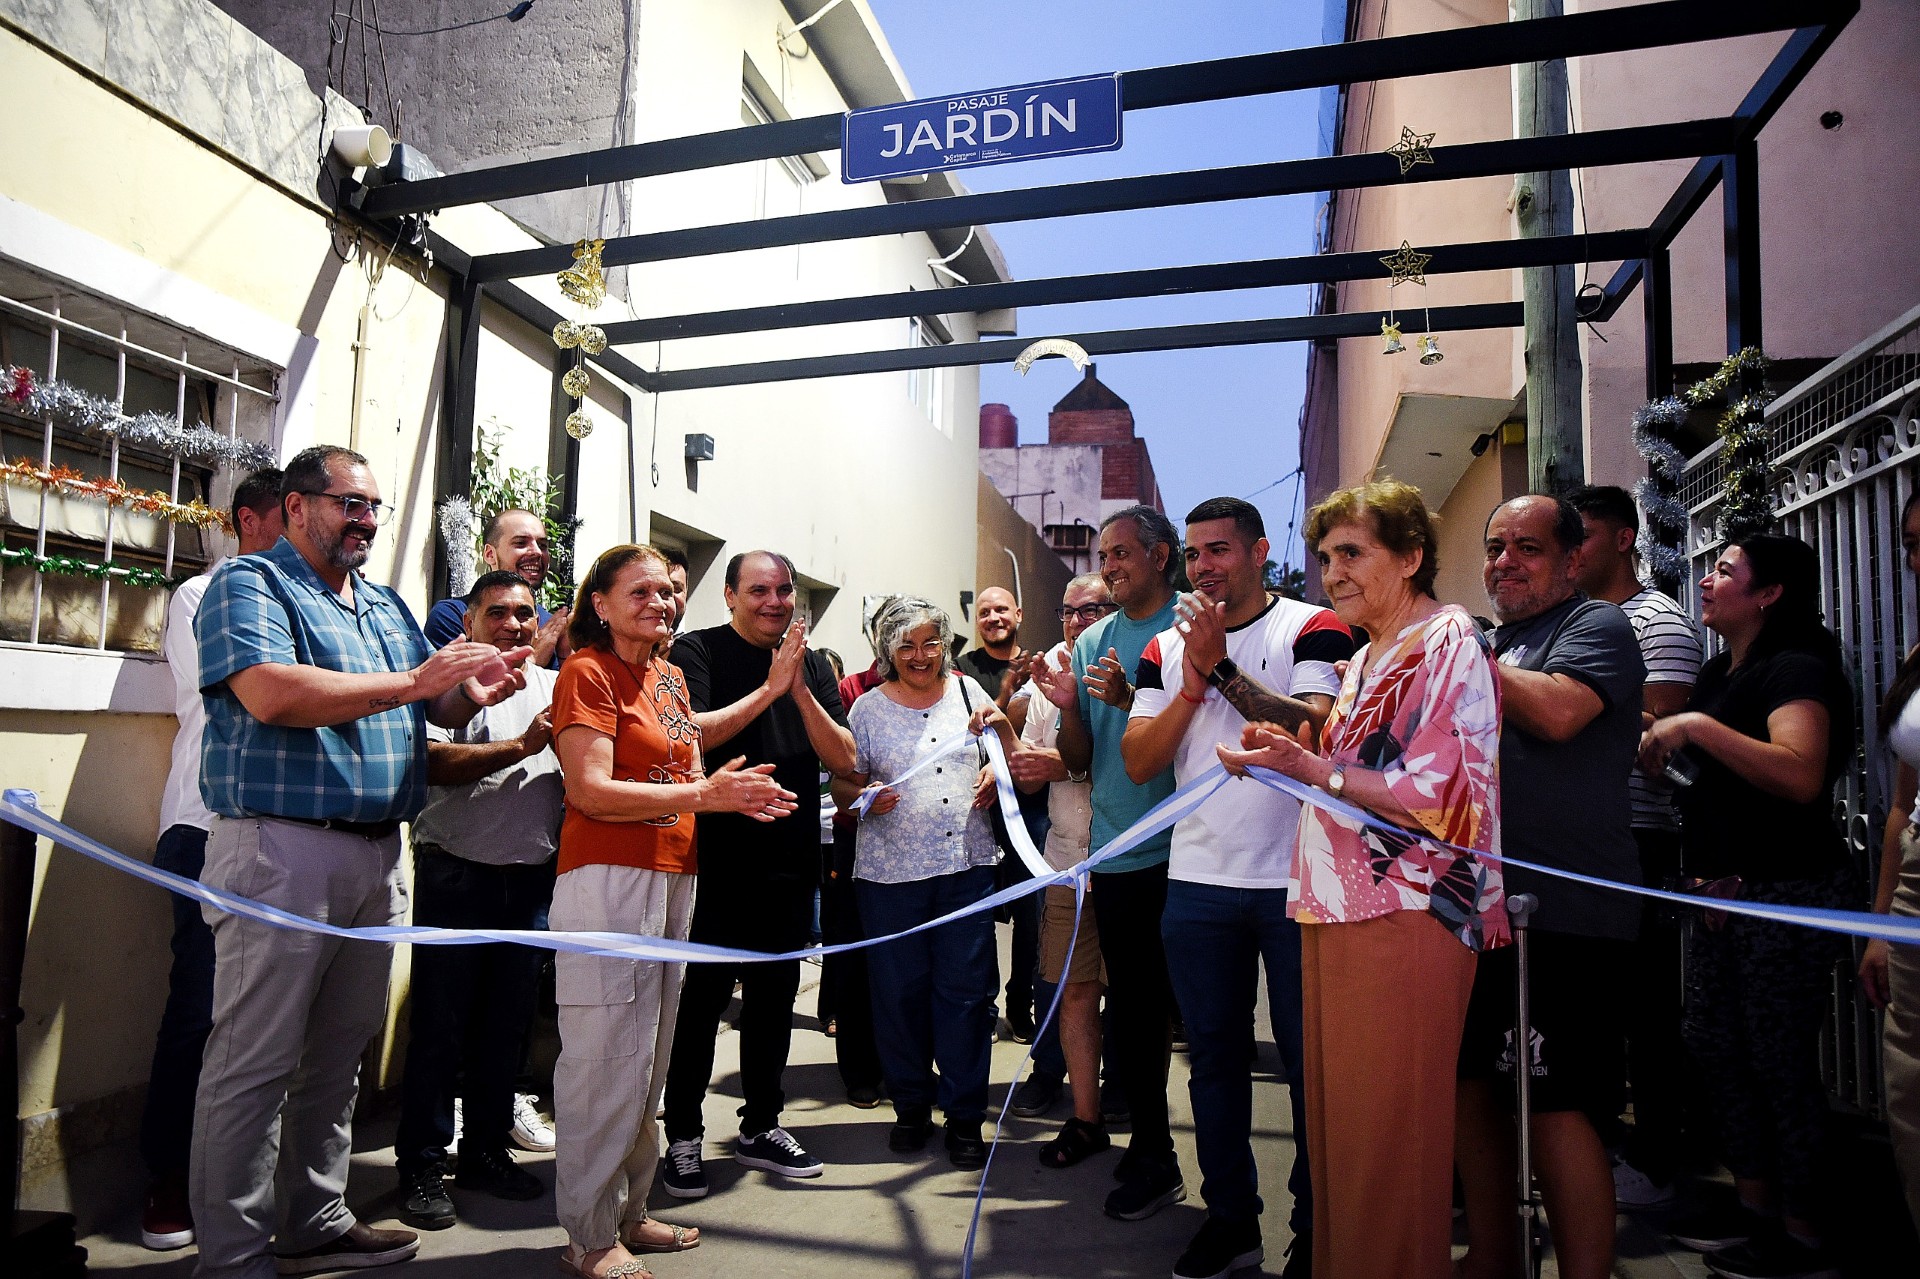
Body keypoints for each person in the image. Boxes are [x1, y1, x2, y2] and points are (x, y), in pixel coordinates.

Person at [190, 446, 529, 1279]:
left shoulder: (380, 603)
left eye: (374, 506)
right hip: (281, 850)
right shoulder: (250, 586)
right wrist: (419, 681)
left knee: (338, 1056)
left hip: (379, 854)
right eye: (350, 503)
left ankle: (314, 1216)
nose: (367, 520)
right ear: (298, 505)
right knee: (254, 1062)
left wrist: (466, 690)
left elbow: (428, 705)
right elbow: (272, 692)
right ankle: (231, 1256)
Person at [1219, 478, 1505, 1279]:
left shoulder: (1449, 638)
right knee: (1343, 1137)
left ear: (1411, 556)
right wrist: (1285, 760)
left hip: (1407, 914)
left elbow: (1441, 792)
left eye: (1353, 552)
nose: (1334, 572)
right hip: (1336, 911)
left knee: (1389, 1143)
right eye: (1325, 557)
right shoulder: (1367, 653)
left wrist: (1312, 766)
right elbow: (1342, 771)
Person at [548, 543, 796, 1279]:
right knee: (601, 1060)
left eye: (667, 592)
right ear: (599, 601)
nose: (661, 603)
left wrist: (771, 690)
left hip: (672, 877)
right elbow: (591, 789)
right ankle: (586, 1234)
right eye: (642, 591)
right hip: (606, 880)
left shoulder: (668, 675)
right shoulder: (586, 673)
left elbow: (693, 739)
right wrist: (705, 796)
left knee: (647, 1059)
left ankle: (629, 1211)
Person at [1125, 497, 1352, 1279]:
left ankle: (1315, 1231)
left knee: (1307, 1064)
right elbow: (1139, 761)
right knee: (1214, 1062)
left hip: (1299, 882)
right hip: (1198, 883)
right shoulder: (1162, 648)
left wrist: (1221, 665)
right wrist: (1191, 680)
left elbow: (1314, 731)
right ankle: (1230, 1220)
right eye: (1193, 554)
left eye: (1219, 549)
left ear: (1261, 551)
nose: (1204, 567)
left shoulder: (1313, 627)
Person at [1639, 533, 1854, 1279]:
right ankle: (1757, 1212)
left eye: (1725, 570)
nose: (1705, 579)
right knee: (1719, 1049)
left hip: (1784, 893)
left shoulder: (1796, 667)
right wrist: (1663, 756)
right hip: (1718, 894)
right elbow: (1718, 782)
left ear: (1769, 594)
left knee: (1777, 1060)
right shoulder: (1714, 670)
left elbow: (1798, 774)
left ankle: (1807, 1238)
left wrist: (1693, 727)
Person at [1456, 494, 1644, 1279]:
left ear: (1573, 559)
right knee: (1473, 1093)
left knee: (1560, 1108)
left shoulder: (1593, 627)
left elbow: (1563, 713)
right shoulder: (1491, 639)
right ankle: (1496, 1260)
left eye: (1527, 547)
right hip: (1478, 913)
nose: (1505, 561)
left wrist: (1466, 660)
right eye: (1496, 546)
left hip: (1568, 916)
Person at [659, 551, 855, 1197]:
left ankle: (761, 1126)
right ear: (730, 594)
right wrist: (769, 689)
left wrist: (797, 686)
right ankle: (683, 1135)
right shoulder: (698, 651)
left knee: (772, 1004)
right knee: (700, 1007)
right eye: (759, 590)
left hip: (790, 863)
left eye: (784, 590)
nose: (774, 601)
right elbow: (691, 738)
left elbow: (846, 758)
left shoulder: (816, 664)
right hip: (714, 863)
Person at [138, 467, 283, 1252]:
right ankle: (165, 1178)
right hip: (202, 824)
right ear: (251, 520)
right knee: (198, 1006)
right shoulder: (207, 593)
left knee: (260, 1023)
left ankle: (242, 1186)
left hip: (275, 830)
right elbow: (245, 694)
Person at [1029, 504, 1187, 1221]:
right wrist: (1068, 706)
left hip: (1197, 851)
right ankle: (1151, 1149)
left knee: (1199, 1023)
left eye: (1123, 553)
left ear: (1161, 555)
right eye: (1105, 555)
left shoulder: (1197, 625)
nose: (1111, 565)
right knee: (1135, 1006)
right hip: (1121, 854)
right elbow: (1079, 759)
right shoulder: (1093, 640)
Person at [394, 571, 564, 1230]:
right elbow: (431, 763)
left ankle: (486, 1151)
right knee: (440, 1029)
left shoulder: (555, 684)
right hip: (456, 874)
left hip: (529, 882)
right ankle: (421, 1163)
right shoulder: (444, 685)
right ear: (467, 623)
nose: (515, 624)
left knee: (506, 1029)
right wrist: (520, 748)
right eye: (498, 613)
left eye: (525, 613)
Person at [835, 596, 1013, 1170]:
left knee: (965, 997)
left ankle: (965, 1118)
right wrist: (863, 799)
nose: (920, 655)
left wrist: (995, 772)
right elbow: (843, 787)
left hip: (966, 869)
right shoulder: (865, 709)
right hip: (889, 878)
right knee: (898, 996)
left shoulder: (967, 693)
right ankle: (911, 1107)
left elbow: (1005, 755)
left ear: (944, 645)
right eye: (906, 645)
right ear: (888, 650)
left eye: (930, 642)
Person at [1570, 483, 1705, 1208]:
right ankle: (1608, 1147)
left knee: (1648, 1005)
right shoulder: (1579, 622)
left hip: (1640, 836)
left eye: (1581, 535)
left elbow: (1657, 736)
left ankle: (1658, 1156)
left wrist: (1572, 716)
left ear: (1624, 539)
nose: (1569, 551)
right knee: (1599, 1007)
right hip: (1582, 839)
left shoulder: (1659, 622)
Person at [1008, 573, 1116, 1158]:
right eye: (1067, 611)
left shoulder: (1138, 659)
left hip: (1132, 859)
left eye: (1090, 610)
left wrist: (1062, 766)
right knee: (1070, 988)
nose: (1076, 622)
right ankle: (1084, 1115)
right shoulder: (1049, 667)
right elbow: (1034, 757)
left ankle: (1125, 1091)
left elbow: (1138, 764)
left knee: (1132, 994)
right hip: (1067, 859)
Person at [1866, 489, 1920, 1242]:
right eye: (1910, 543)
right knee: (1910, 1089)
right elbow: (1901, 805)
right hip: (1913, 887)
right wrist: (1875, 921)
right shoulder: (1917, 656)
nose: (1916, 559)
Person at [818, 604, 899, 1109]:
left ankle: (910, 1064)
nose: (903, 646)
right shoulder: (850, 690)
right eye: (890, 633)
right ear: (875, 637)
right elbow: (838, 765)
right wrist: (863, 789)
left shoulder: (950, 684)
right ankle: (861, 1069)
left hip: (926, 846)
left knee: (911, 961)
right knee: (854, 957)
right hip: (857, 839)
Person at [958, 584, 1045, 1042]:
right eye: (985, 612)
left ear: (1019, 614)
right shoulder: (961, 671)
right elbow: (959, 735)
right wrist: (1007, 688)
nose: (993, 617)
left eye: (1001, 610)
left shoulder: (1039, 666)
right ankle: (986, 1008)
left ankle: (1020, 1004)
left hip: (1030, 813)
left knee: (1032, 917)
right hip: (979, 809)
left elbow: (1037, 737)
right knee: (981, 918)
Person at [425, 508, 571, 667]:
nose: (537, 552)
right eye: (521, 543)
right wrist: (533, 660)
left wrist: (566, 657)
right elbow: (459, 687)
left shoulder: (551, 625)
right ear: (489, 554)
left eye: (542, 545)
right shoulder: (452, 615)